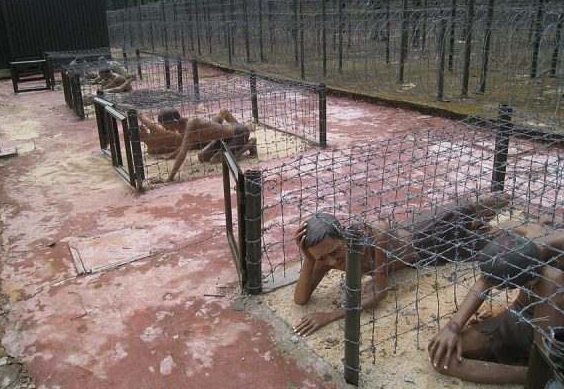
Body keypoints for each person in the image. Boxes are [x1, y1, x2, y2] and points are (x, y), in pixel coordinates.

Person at [292, 193, 511, 336]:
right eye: (322, 258)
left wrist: (330, 315)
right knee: (500, 240)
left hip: (423, 230)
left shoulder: (374, 233)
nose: (332, 261)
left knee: (495, 202)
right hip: (428, 254)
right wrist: (310, 261)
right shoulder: (322, 258)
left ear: (344, 236)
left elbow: (380, 291)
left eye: (335, 251)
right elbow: (301, 300)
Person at [428, 222, 564, 384]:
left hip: (556, 332)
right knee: (443, 357)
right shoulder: (525, 238)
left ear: (532, 279)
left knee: (545, 368)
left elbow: (545, 355)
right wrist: (453, 327)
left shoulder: (551, 279)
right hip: (520, 316)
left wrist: (544, 368)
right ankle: (527, 374)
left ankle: (543, 375)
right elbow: (487, 278)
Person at [162, 109, 258, 181]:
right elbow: (185, 147)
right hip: (223, 138)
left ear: (175, 122)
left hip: (239, 133)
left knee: (215, 160)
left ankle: (250, 143)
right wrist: (170, 156)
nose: (165, 130)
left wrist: (169, 178)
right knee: (202, 157)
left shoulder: (191, 124)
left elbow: (183, 153)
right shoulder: (182, 128)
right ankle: (233, 149)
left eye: (165, 127)